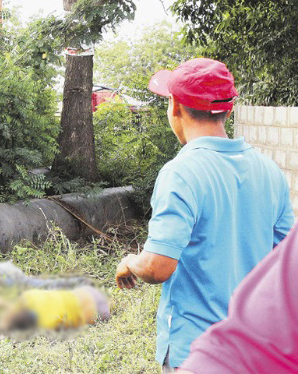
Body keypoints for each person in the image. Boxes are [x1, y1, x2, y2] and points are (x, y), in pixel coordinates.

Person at [114, 58, 294, 372]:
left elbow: (157, 267)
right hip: (253, 350)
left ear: (175, 107)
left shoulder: (181, 173)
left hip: (198, 354)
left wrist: (130, 262)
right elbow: (285, 262)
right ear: (229, 109)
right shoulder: (269, 171)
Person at [175, 223, 298, 374]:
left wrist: (136, 263)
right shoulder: (277, 197)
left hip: (194, 335)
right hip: (248, 334)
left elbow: (157, 266)